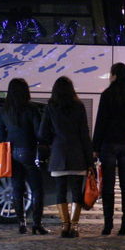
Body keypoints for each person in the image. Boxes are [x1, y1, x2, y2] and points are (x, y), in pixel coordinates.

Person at [93, 62, 125, 235]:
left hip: (109, 143)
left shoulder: (107, 94)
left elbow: (100, 122)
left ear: (114, 74)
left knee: (108, 184)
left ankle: (108, 224)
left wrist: (95, 147)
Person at [39, 76, 94, 238]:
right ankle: (75, 226)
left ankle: (65, 225)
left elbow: (43, 133)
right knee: (77, 191)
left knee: (60, 191)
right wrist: (89, 159)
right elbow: (84, 133)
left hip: (58, 153)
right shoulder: (79, 106)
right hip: (77, 153)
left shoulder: (51, 107)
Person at [0, 78, 45, 235]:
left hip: (12, 152)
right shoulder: (31, 109)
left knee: (17, 187)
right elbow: (39, 132)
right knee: (37, 189)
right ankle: (36, 224)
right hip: (29, 150)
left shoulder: (4, 110)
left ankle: (21, 223)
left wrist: (8, 139)